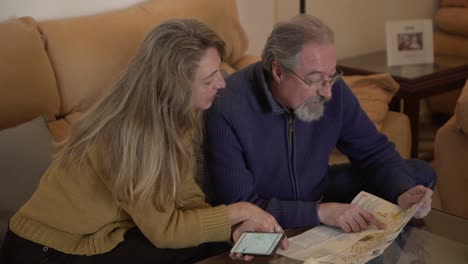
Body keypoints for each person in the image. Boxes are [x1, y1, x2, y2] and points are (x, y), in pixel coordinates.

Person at [2, 19, 287, 264]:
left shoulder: (178, 116)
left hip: (105, 232)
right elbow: (167, 231)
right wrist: (240, 211)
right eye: (210, 78)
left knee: (215, 245)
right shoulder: (128, 136)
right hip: (45, 251)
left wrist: (232, 229)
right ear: (175, 85)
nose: (222, 84)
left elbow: (187, 202)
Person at [204, 15, 436, 233]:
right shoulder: (227, 105)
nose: (327, 93)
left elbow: (375, 151)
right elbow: (238, 206)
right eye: (314, 80)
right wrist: (320, 213)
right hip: (267, 210)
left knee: (417, 175)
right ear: (278, 71)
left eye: (332, 76)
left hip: (318, 190)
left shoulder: (332, 89)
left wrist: (403, 192)